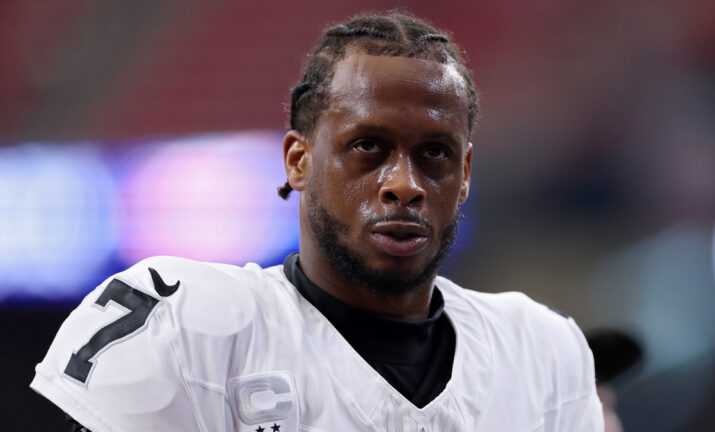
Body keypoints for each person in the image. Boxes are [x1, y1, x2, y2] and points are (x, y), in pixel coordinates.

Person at [31, 11, 603, 432]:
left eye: (435, 153)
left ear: (466, 173)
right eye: (368, 146)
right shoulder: (185, 329)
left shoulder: (541, 352)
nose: (404, 183)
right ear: (298, 160)